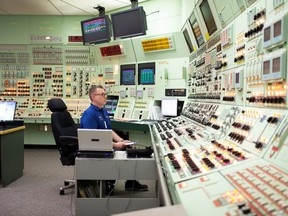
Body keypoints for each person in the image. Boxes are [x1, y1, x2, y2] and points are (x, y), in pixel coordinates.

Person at [80, 85, 148, 193]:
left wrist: (121, 141)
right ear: (93, 96)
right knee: (124, 151)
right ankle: (109, 181)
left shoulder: (103, 111)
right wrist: (115, 145)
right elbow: (93, 139)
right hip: (96, 149)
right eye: (102, 94)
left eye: (105, 94)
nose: (105, 96)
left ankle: (130, 182)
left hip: (104, 145)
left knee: (127, 147)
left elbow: (109, 131)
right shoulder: (89, 115)